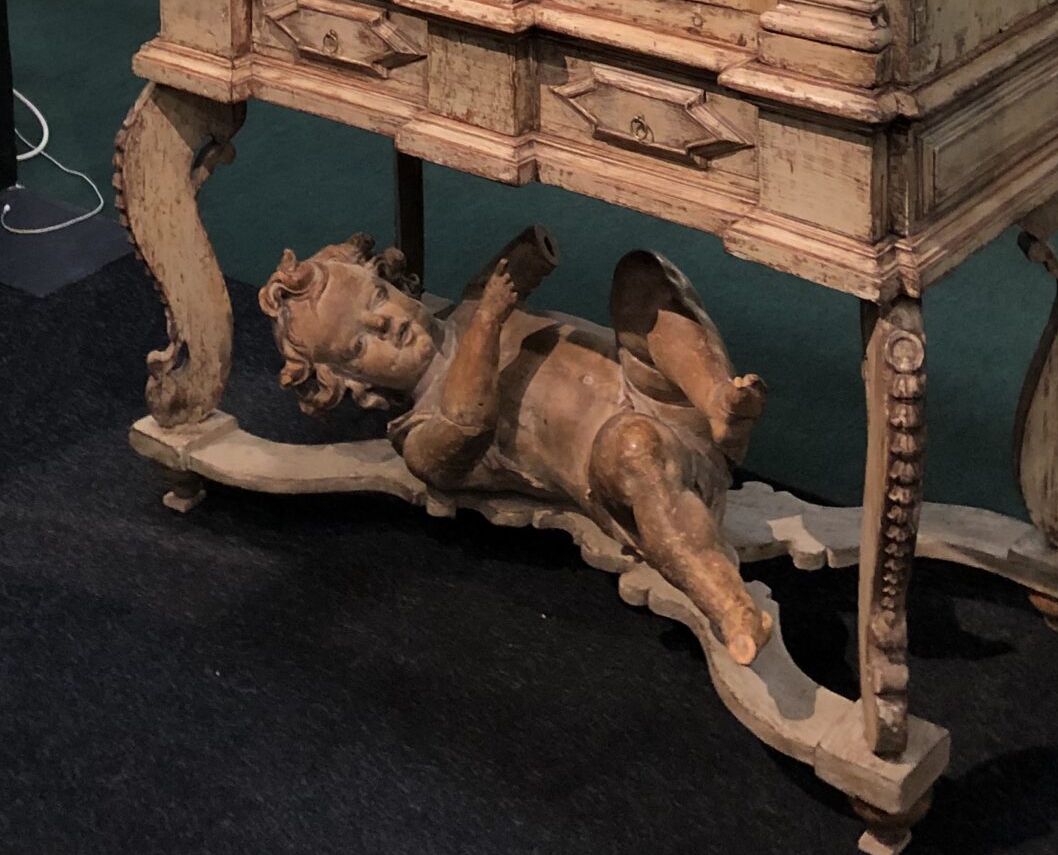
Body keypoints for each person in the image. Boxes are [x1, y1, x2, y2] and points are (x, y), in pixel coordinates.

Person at [259, 224, 774, 664]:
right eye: (358, 344)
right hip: (631, 471)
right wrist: (489, 318)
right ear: (352, 382)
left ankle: (719, 404)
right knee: (634, 445)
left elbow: (530, 253)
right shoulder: (420, 436)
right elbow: (469, 421)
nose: (385, 323)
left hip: (662, 391)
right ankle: (728, 605)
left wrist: (528, 254)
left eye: (377, 297)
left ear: (392, 280)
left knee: (641, 275)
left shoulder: (469, 304)